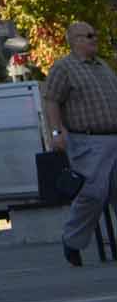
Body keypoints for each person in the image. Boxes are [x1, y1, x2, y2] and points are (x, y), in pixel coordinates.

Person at [44, 20, 117, 265]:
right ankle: (72, 240)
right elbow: (52, 100)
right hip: (88, 141)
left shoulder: (103, 67)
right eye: (89, 35)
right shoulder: (64, 68)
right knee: (93, 194)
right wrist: (56, 133)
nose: (94, 38)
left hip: (114, 137)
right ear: (74, 40)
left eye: (94, 34)